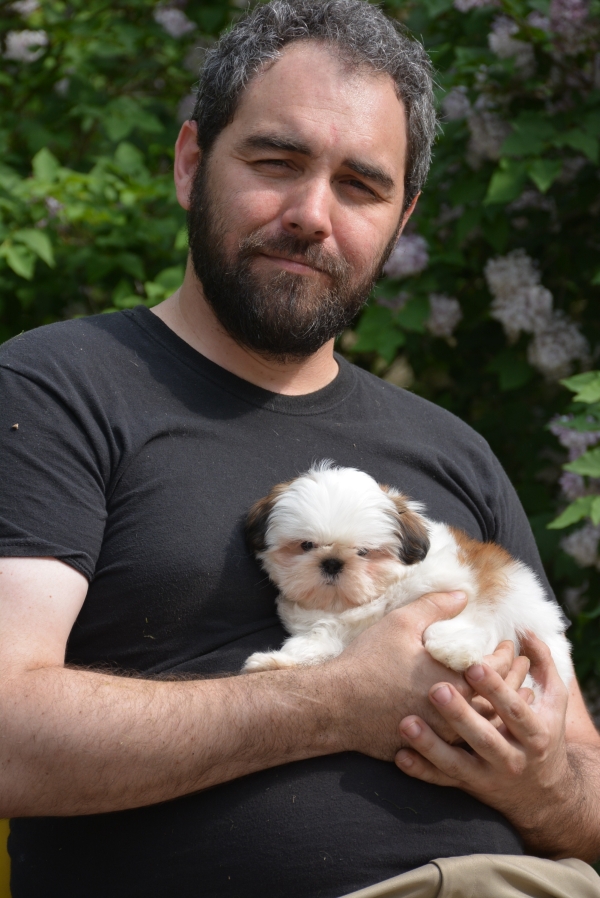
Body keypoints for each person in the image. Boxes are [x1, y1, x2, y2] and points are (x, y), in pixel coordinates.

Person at [1, 1, 599, 896]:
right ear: (191, 163)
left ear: (402, 222)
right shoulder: (55, 388)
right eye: (276, 162)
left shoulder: (455, 450)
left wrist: (544, 781)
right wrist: (338, 703)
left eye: (361, 186)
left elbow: (587, 783)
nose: (313, 214)